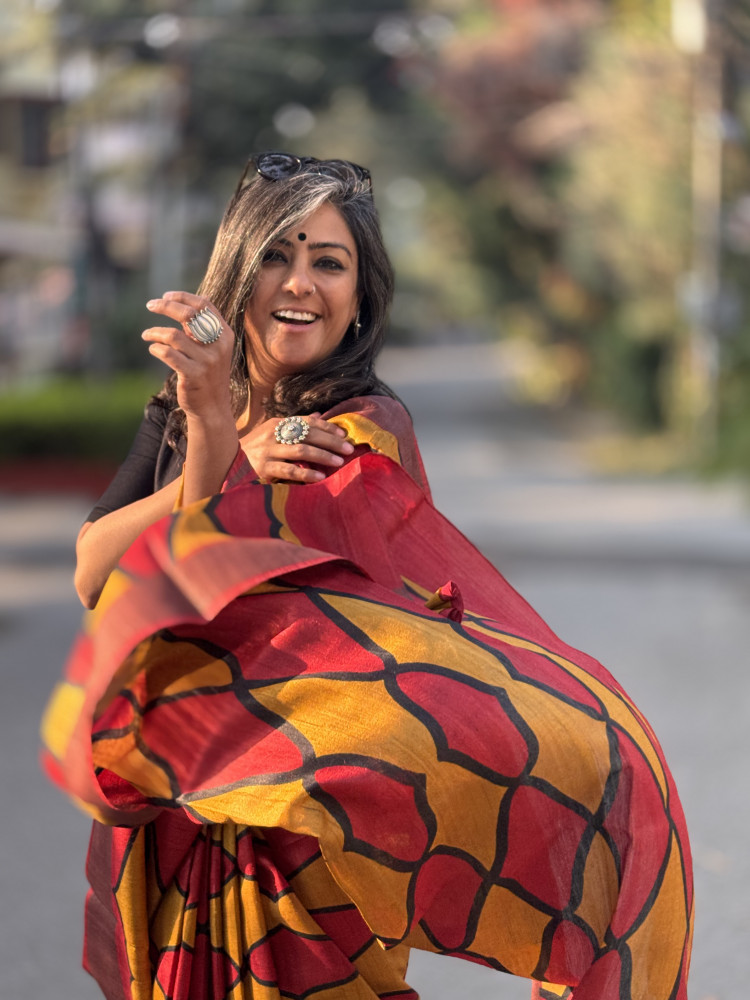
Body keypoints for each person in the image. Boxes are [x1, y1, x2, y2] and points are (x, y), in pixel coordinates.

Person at [42, 153, 693, 1000]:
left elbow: (220, 594)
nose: (299, 282)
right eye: (276, 255)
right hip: (181, 795)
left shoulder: (359, 432)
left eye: (329, 262)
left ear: (359, 298)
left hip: (303, 826)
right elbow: (95, 571)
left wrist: (226, 454)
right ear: (237, 272)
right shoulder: (185, 406)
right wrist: (218, 437)